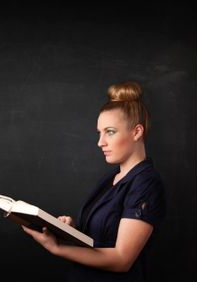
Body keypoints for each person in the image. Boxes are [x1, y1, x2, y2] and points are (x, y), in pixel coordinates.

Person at [22, 81, 166, 281]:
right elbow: (98, 241)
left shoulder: (146, 183)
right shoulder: (111, 178)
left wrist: (57, 247)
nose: (100, 142)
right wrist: (70, 230)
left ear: (137, 132)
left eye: (110, 132)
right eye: (100, 133)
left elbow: (122, 259)